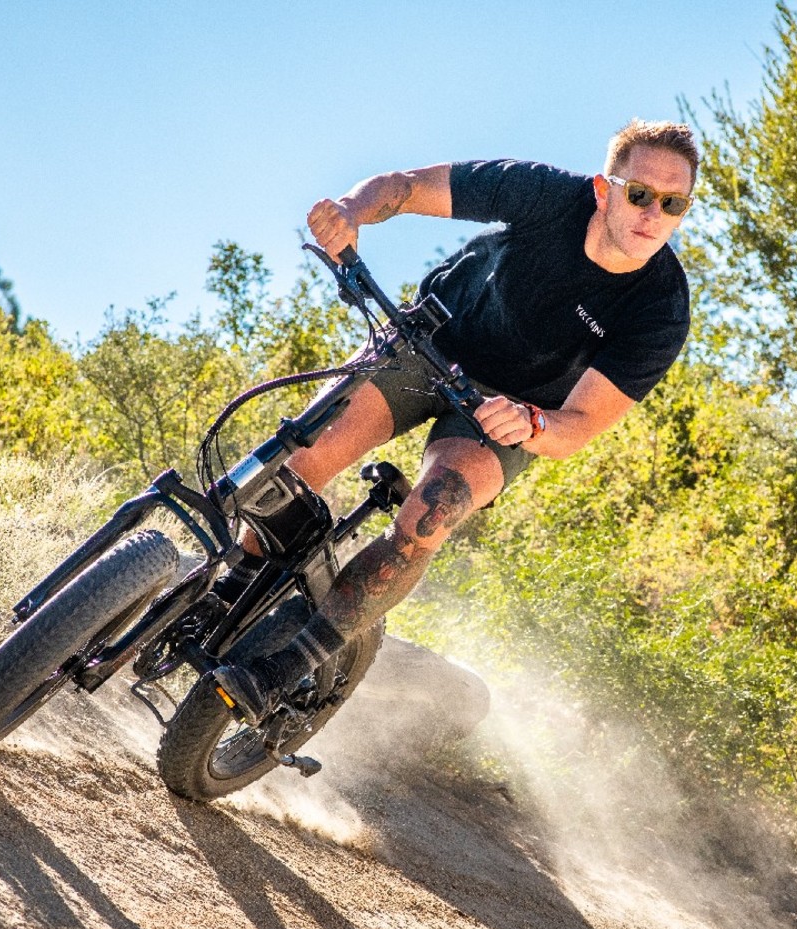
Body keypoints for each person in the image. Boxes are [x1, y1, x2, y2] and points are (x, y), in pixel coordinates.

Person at [212, 118, 700, 724]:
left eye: (672, 203)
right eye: (639, 193)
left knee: (428, 515)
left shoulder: (661, 309)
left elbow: (579, 424)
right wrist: (349, 210)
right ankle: (229, 590)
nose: (653, 212)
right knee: (303, 461)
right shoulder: (546, 195)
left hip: (506, 415)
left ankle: (284, 669)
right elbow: (405, 187)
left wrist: (533, 425)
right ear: (605, 190)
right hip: (433, 342)